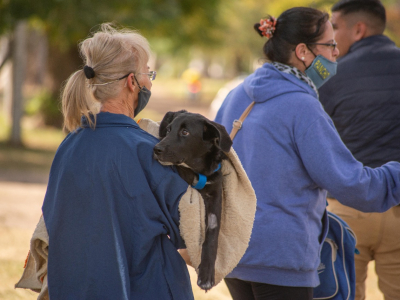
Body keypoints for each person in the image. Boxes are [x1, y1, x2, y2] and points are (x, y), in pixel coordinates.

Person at [214, 7, 400, 300]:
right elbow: (351, 184)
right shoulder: (302, 105)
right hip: (281, 258)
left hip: (234, 251)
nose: (337, 53)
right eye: (330, 45)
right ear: (303, 51)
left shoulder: (238, 94)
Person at [41, 24, 194, 299]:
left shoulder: (68, 146)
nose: (150, 81)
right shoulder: (151, 151)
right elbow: (195, 235)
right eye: (148, 72)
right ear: (131, 82)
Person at [318, 1, 400, 299]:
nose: (331, 37)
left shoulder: (329, 75)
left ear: (359, 29)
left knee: (345, 292)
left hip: (348, 209)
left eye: (335, 27)